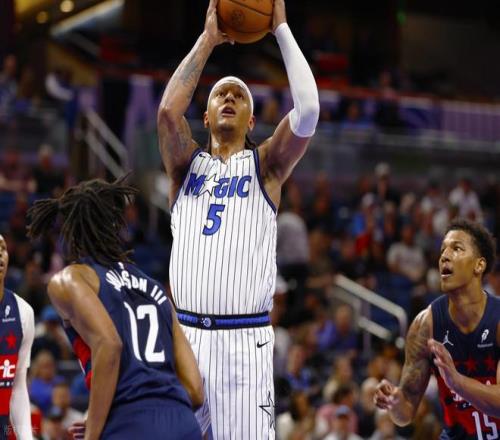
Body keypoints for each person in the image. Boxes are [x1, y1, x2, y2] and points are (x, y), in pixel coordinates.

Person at [157, 0, 319, 437]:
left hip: (244, 345)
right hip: (186, 340)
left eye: (239, 96)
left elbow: (308, 111)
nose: (229, 97)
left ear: (251, 120)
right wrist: (208, 39)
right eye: (220, 95)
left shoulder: (266, 167)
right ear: (206, 116)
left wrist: (280, 29)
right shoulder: (184, 167)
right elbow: (168, 113)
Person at [27, 177, 204, 440]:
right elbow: (196, 391)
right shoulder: (154, 287)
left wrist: (95, 432)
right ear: (115, 225)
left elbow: (109, 344)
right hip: (182, 423)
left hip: (130, 422)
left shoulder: (71, 279)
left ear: (71, 229)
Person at [374, 219, 500, 439]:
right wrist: (394, 402)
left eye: (456, 248)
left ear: (479, 265)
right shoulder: (425, 325)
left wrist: (457, 382)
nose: (444, 256)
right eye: (442, 250)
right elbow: (405, 413)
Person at [0, 234, 34, 440]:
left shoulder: (23, 312)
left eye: (2, 248)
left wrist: (27, 437)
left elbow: (18, 387)